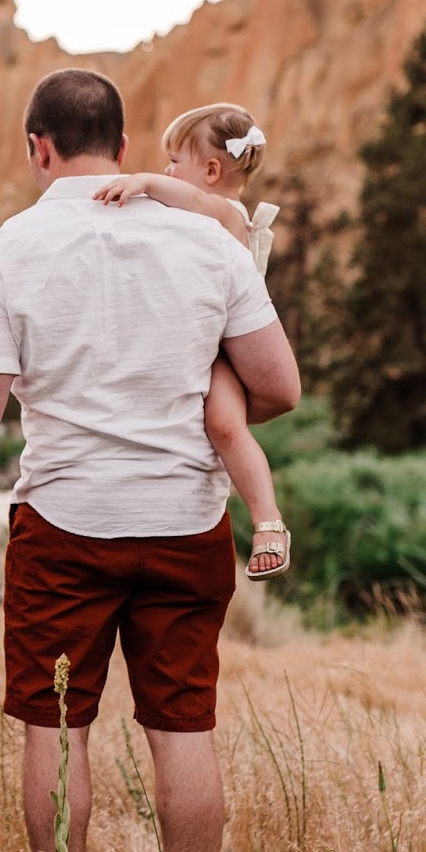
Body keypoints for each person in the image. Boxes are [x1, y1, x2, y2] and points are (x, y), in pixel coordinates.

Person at [0, 68, 300, 852]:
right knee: (184, 728)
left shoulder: (1, 252)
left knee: (55, 729)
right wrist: (211, 421)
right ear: (124, 147)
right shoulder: (212, 242)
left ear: (38, 148)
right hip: (187, 522)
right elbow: (279, 387)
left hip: (64, 525)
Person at [92, 103, 290, 579]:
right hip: (213, 340)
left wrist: (143, 182)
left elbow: (194, 201)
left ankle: (268, 521)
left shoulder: (226, 213)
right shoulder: (211, 215)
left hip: (227, 349)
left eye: (174, 162)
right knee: (219, 425)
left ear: (212, 171)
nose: (167, 171)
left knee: (226, 426)